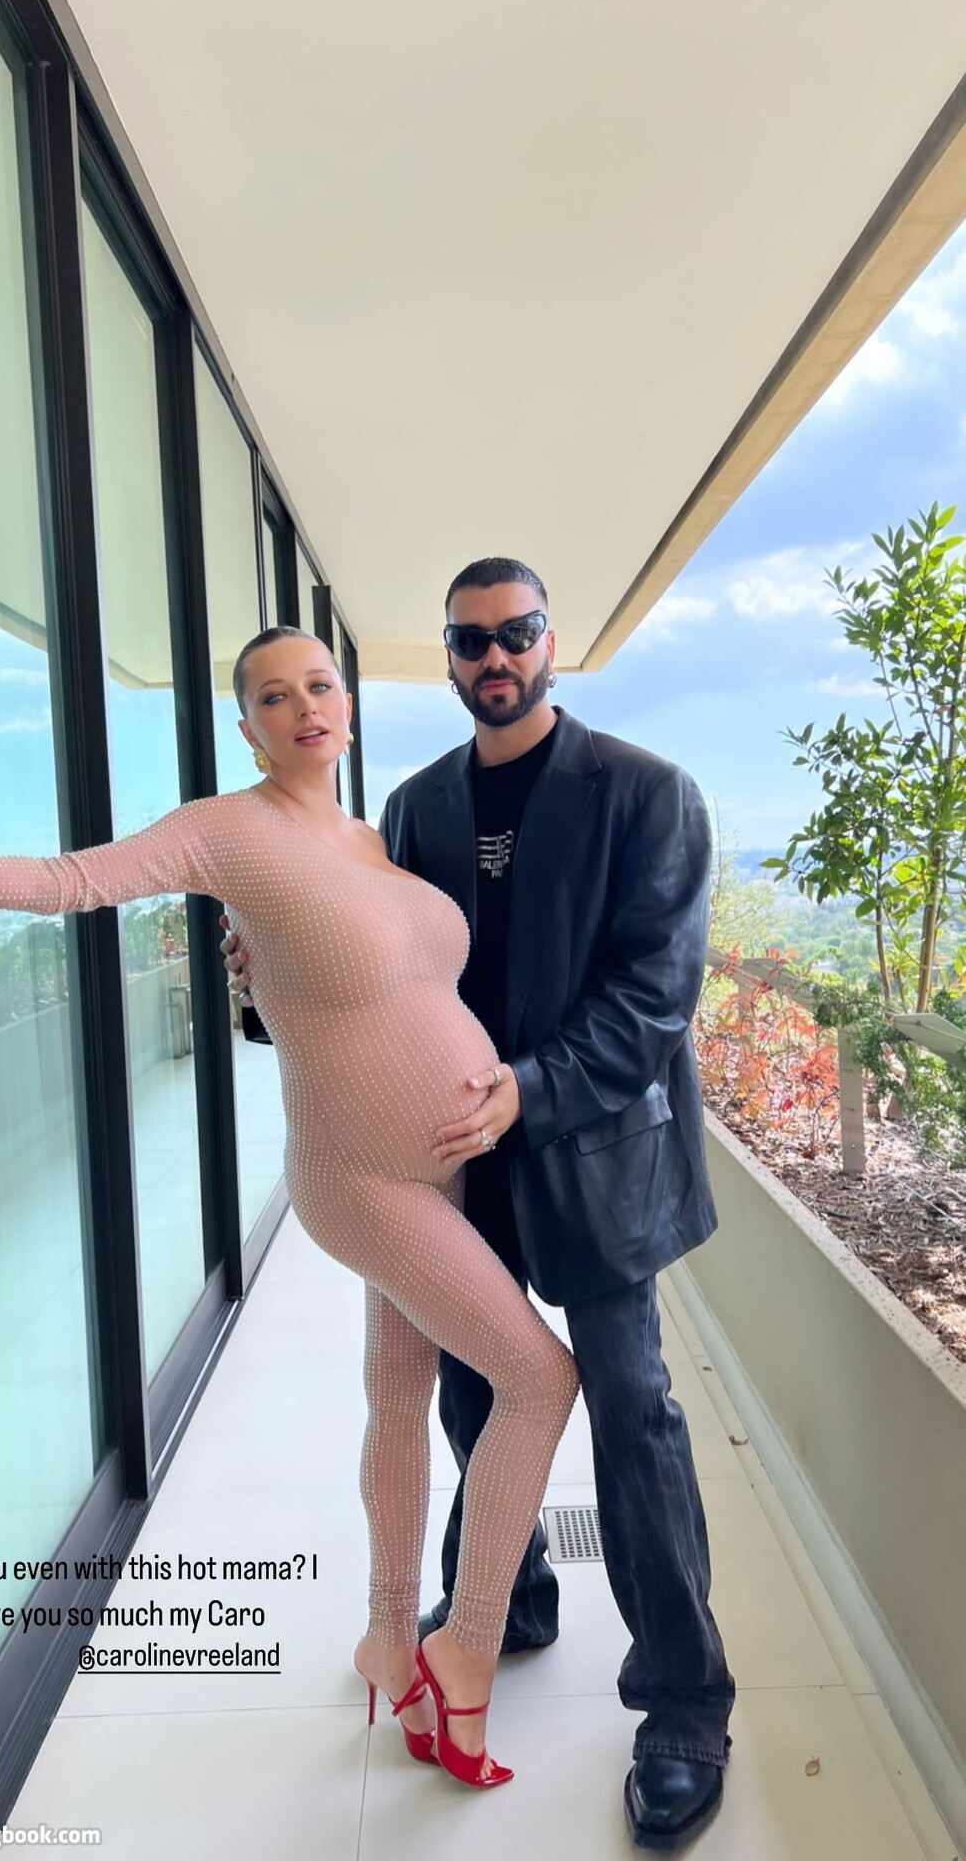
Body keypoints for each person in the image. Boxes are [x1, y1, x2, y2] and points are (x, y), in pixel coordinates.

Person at [0, 625, 580, 1793]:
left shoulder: (370, 838)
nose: (304, 707)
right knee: (540, 1380)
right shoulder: (225, 831)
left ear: (345, 704)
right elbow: (67, 883)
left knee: (398, 1396)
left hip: (444, 1166)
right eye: (273, 695)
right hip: (358, 1176)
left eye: (320, 685)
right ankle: (463, 1647)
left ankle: (386, 1633)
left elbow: (350, 975)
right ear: (247, 727)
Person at [225, 560, 735, 1850]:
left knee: (632, 1413)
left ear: (551, 642)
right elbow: (374, 979)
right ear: (449, 656)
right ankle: (509, 1599)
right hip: (454, 1159)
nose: (494, 655)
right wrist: (264, 982)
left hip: (597, 1155)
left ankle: (684, 1703)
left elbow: (654, 996)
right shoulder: (415, 807)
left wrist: (528, 1090)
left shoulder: (648, 794)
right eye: (470, 640)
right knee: (470, 1391)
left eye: (517, 633)